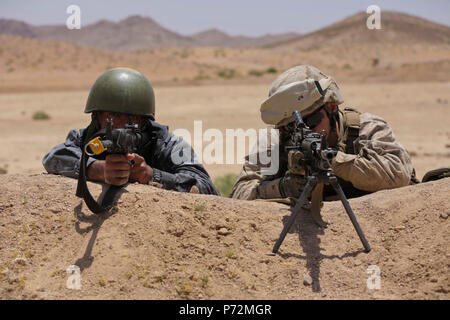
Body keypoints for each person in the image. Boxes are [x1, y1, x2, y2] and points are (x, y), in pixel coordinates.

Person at [231, 65, 418, 201]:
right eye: (288, 128)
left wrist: (334, 161)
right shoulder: (274, 141)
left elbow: (398, 175)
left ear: (331, 107)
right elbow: (239, 194)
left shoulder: (365, 128)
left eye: (309, 123)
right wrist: (281, 188)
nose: (298, 132)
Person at [43, 67, 219, 196]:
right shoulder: (87, 138)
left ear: (144, 120)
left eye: (131, 118)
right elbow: (53, 158)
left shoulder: (167, 144)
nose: (120, 125)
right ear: (97, 116)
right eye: (112, 116)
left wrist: (152, 175)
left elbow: (206, 187)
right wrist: (96, 169)